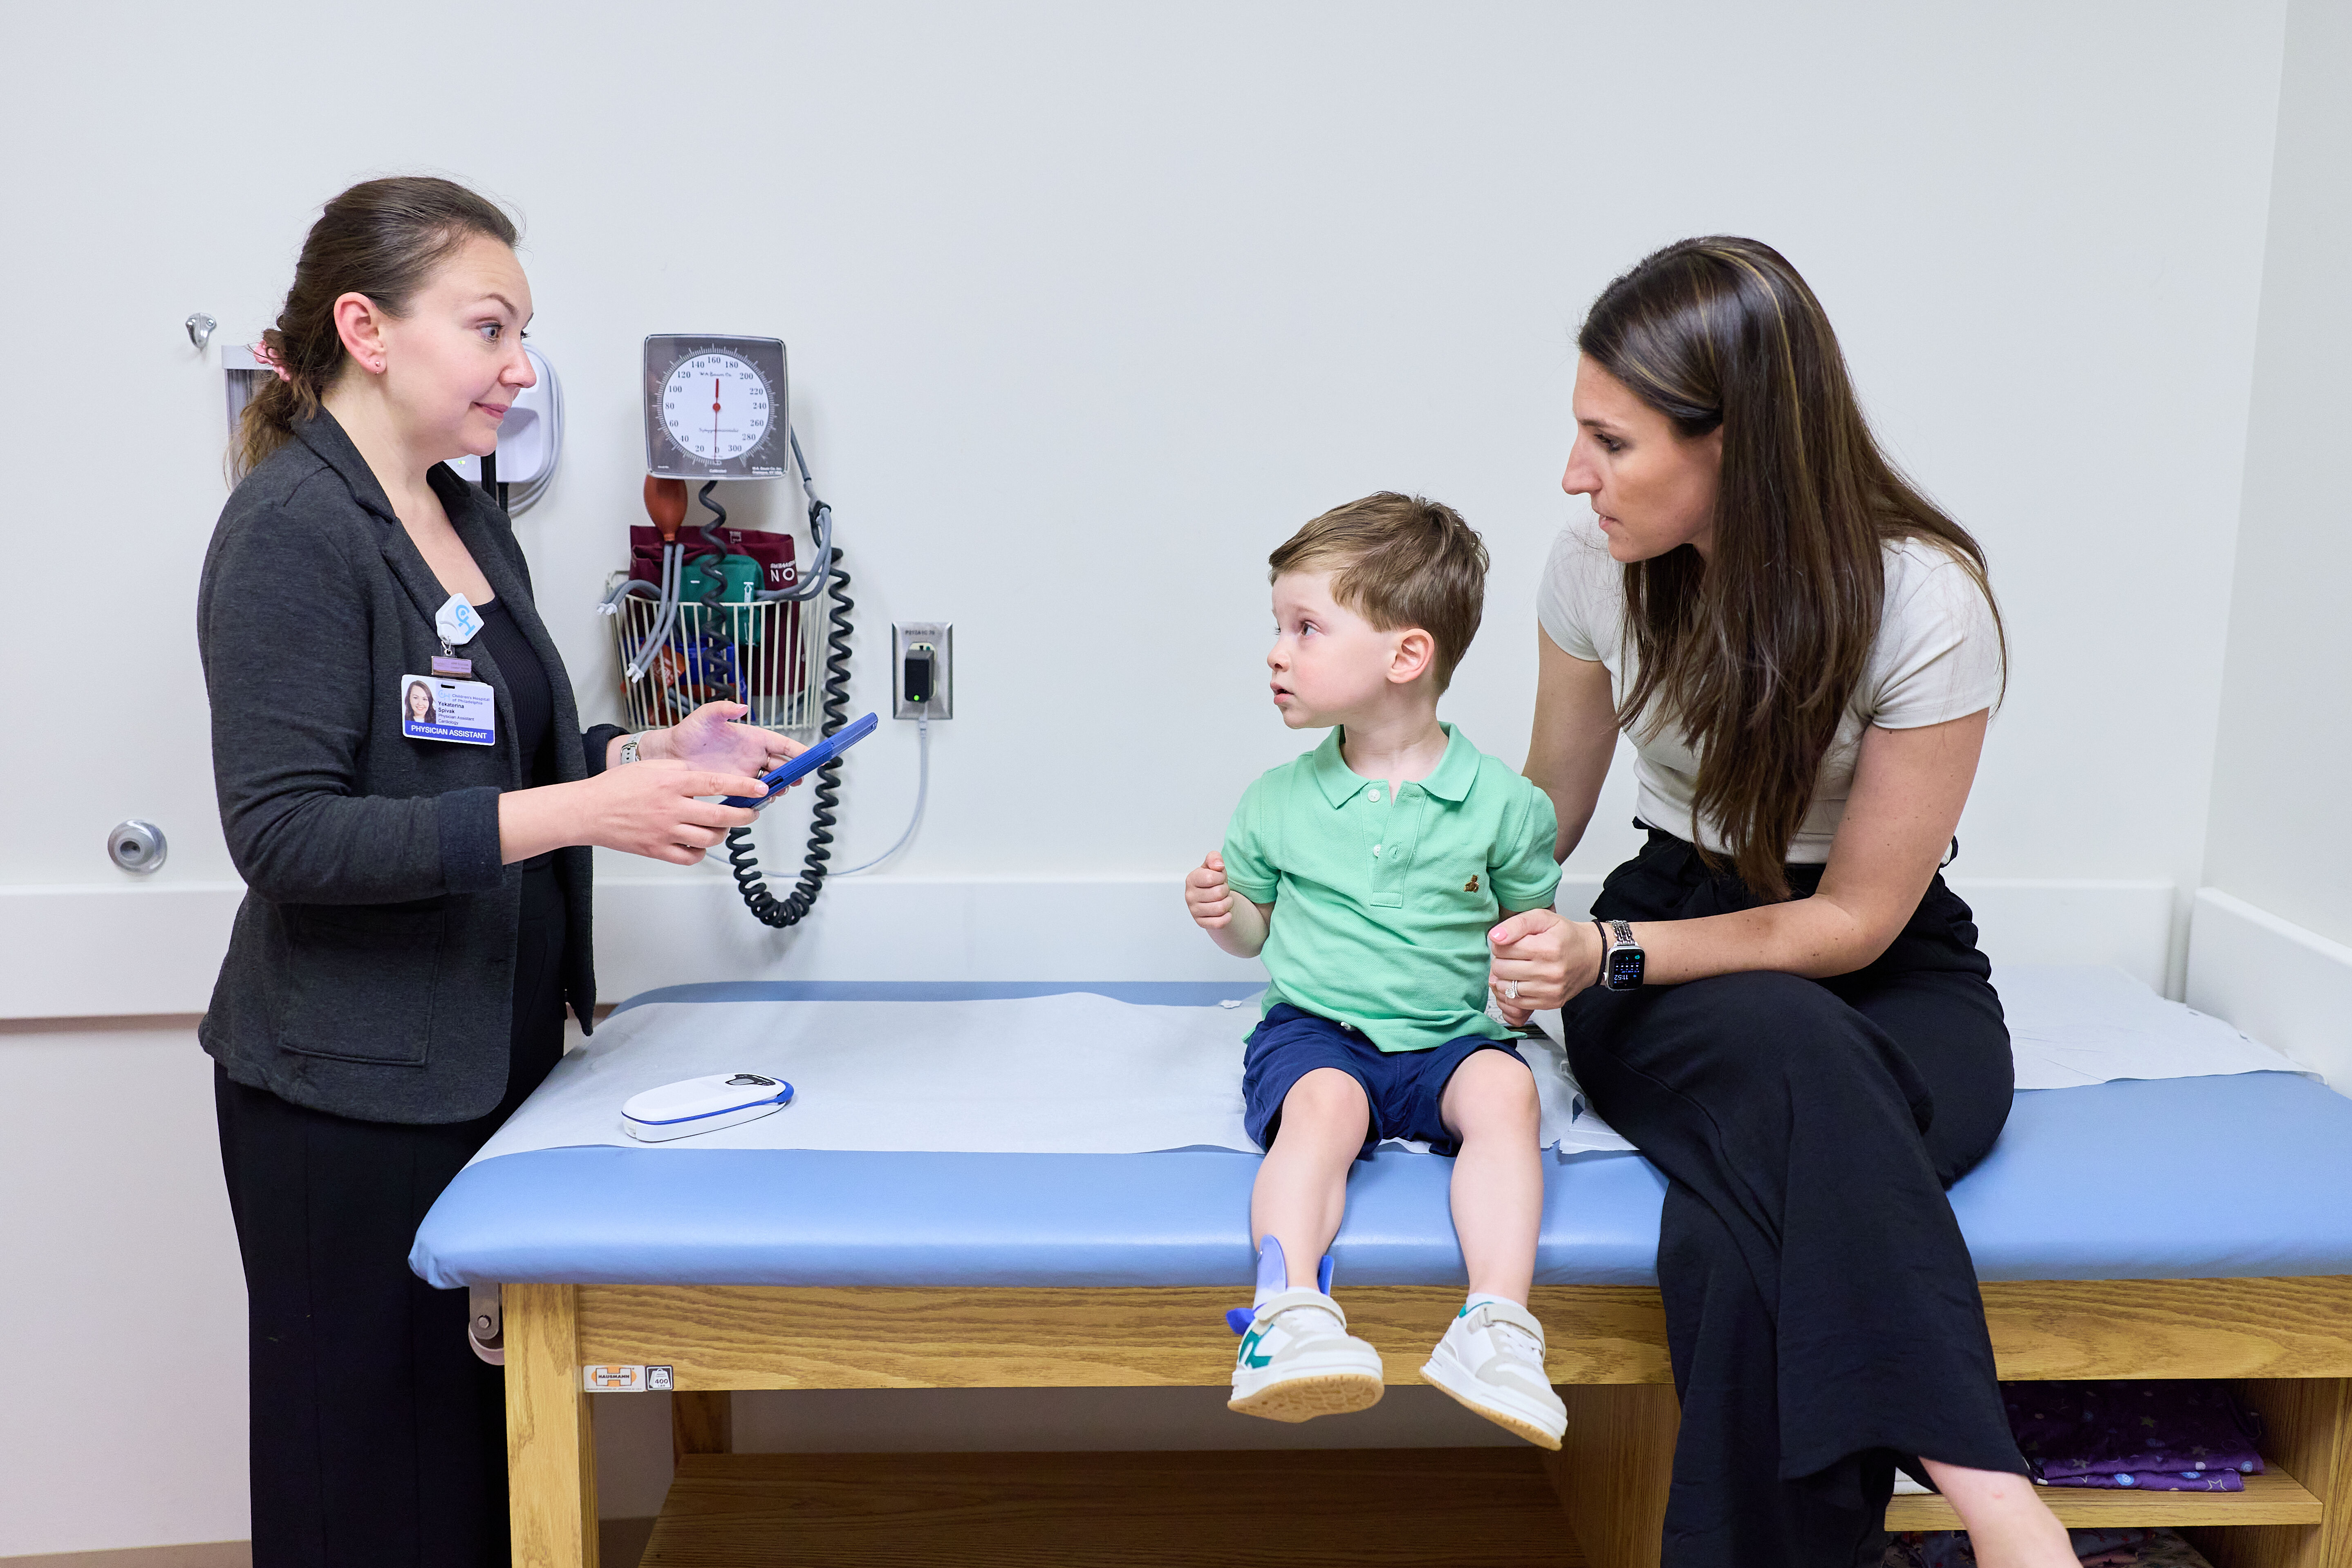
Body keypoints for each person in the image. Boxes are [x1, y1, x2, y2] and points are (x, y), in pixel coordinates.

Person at [197, 176, 801, 1568]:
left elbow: (488, 759)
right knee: (366, 1479)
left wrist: (648, 747)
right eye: (489, 327)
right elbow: (287, 836)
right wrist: (592, 806)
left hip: (490, 1059)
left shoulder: (465, 513)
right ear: (367, 328)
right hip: (346, 1094)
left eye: (521, 329)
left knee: (472, 1473)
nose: (520, 365)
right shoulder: (293, 531)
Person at [1484, 237, 2074, 1567]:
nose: (1573, 475)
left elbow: (1854, 924)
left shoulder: (1922, 599)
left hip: (1879, 963)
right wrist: (1396, 868)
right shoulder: (1590, 566)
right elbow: (1546, 812)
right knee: (1794, 1060)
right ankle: (2000, 1502)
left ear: (1734, 442)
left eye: (1610, 441)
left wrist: (1603, 949)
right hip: (1666, 934)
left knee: (1735, 1237)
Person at [1184, 493, 1569, 1449]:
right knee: (1323, 1109)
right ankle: (1288, 1313)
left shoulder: (1505, 806)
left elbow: (1527, 924)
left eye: (1306, 627)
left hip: (1450, 1036)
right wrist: (1223, 914)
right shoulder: (1275, 802)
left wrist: (1526, 970)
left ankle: (1495, 1326)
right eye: (1279, 627)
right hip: (1319, 1028)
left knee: (1505, 1099)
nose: (1278, 651)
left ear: (1406, 655)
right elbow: (1253, 934)